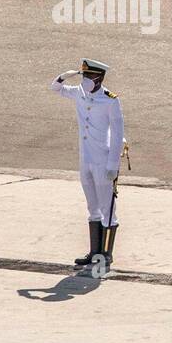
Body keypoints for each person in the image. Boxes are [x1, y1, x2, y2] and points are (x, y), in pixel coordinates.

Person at [51, 59, 125, 269]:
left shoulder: (110, 100)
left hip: (103, 160)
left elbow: (118, 133)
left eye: (88, 77)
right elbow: (55, 88)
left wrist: (113, 164)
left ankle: (106, 255)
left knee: (107, 207)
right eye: (83, 76)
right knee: (92, 206)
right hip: (86, 159)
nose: (84, 81)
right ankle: (94, 252)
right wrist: (65, 75)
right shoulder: (79, 93)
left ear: (99, 78)